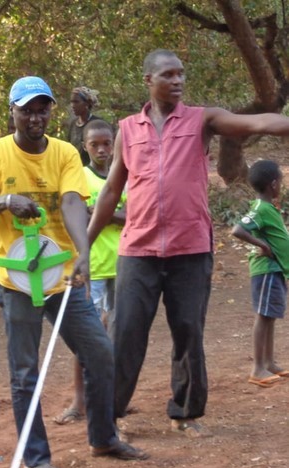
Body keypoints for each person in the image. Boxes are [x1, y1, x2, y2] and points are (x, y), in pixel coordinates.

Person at [87, 48, 289, 439]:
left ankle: (185, 413)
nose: (177, 81)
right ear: (149, 80)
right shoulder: (128, 129)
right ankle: (110, 418)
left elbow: (258, 122)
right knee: (126, 334)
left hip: (191, 249)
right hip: (138, 250)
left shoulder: (202, 120)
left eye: (181, 74)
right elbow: (112, 189)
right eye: (168, 75)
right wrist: (86, 247)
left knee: (188, 333)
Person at [0, 76, 147, 468]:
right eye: (27, 109)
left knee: (99, 352)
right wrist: (5, 201)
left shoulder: (64, 153)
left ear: (50, 111)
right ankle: (37, 458)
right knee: (26, 372)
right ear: (12, 110)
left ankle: (102, 437)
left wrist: (82, 253)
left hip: (61, 277)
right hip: (18, 282)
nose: (35, 116)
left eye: (42, 108)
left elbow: (70, 203)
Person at [54, 119, 126, 425]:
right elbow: (77, 215)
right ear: (85, 146)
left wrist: (102, 213)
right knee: (87, 335)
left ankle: (113, 398)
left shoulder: (123, 176)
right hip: (91, 266)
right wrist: (111, 213)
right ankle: (79, 400)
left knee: (117, 333)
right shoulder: (80, 178)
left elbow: (133, 216)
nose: (101, 149)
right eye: (94, 144)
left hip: (123, 264)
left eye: (106, 143)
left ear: (114, 144)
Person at [232, 160, 289, 387]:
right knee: (263, 316)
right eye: (281, 182)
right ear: (273, 184)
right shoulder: (259, 209)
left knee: (270, 315)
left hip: (275, 270)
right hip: (265, 270)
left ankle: (269, 362)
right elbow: (238, 229)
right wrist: (262, 246)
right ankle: (257, 368)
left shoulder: (269, 208)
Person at [67, 86, 100, 166]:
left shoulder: (97, 124)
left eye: (76, 102)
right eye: (71, 102)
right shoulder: (73, 124)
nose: (72, 105)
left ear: (87, 103)